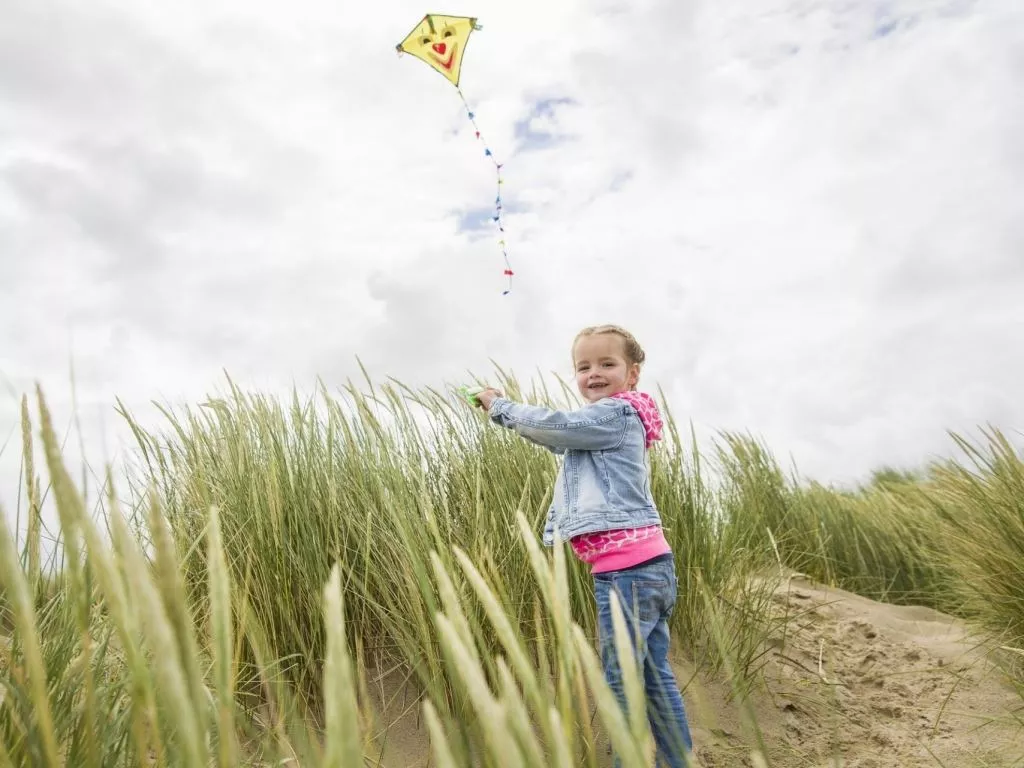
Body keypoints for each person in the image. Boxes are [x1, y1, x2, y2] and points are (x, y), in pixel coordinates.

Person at [467, 324, 694, 767]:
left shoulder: (614, 414)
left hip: (628, 572)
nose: (593, 373)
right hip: (648, 566)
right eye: (583, 366)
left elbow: (558, 425)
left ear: (632, 373)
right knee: (651, 674)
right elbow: (562, 438)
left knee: (621, 680)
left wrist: (500, 406)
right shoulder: (620, 419)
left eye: (606, 364)